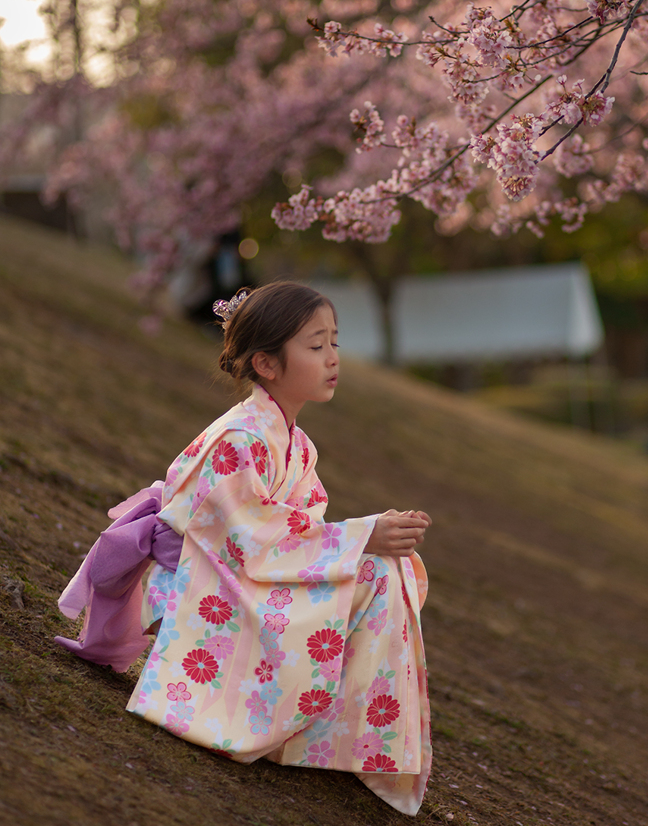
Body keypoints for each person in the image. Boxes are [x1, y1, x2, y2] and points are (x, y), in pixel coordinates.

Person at [56, 282, 432, 815]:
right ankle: (302, 731)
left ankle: (340, 738)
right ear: (268, 363)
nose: (332, 359)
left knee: (379, 572)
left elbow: (292, 532)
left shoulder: (295, 444)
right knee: (371, 570)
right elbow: (250, 540)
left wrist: (364, 542)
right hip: (202, 588)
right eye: (316, 345)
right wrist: (361, 536)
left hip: (241, 574)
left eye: (335, 343)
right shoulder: (240, 438)